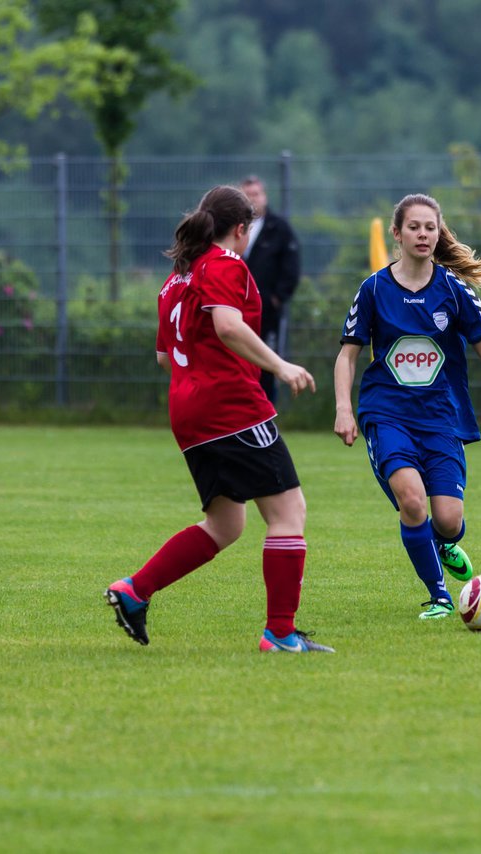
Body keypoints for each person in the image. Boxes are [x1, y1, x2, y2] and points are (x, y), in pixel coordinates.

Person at [105, 185, 333, 653]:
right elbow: (229, 326)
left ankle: (135, 590)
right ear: (242, 229)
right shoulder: (225, 264)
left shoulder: (177, 277)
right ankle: (281, 633)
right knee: (289, 514)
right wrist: (280, 365)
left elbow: (165, 358)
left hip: (187, 412)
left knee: (226, 524)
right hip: (230, 406)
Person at [334, 193, 481, 620]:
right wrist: (344, 408)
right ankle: (438, 595)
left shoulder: (454, 291)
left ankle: (445, 540)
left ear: (439, 234)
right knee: (412, 502)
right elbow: (347, 356)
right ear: (397, 234)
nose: (423, 234)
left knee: (448, 519)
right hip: (387, 413)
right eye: (414, 227)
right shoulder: (374, 288)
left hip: (440, 416)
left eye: (430, 228)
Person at [240, 176, 301, 404]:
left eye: (255, 194)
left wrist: (277, 298)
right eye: (246, 195)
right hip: (235, 309)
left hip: (266, 311)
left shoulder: (279, 229)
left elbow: (292, 267)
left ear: (264, 196)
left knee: (265, 362)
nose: (251, 199)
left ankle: (266, 410)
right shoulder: (232, 229)